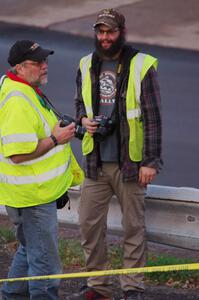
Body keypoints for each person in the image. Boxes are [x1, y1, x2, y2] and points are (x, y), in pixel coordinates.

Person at [68, 8, 163, 300]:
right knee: (88, 226)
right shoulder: (86, 64)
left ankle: (132, 287)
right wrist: (83, 121)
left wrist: (151, 161)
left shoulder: (140, 65)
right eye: (100, 32)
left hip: (130, 164)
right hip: (95, 162)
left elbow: (153, 118)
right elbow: (79, 106)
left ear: (121, 32)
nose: (105, 37)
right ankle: (99, 286)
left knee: (132, 228)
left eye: (110, 32)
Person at [0, 40, 83, 300]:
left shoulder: (23, 88)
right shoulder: (18, 100)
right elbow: (18, 153)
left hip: (32, 194)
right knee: (45, 262)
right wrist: (56, 139)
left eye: (45, 61)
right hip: (33, 196)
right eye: (38, 63)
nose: (45, 67)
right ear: (20, 67)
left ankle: (11, 295)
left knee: (31, 249)